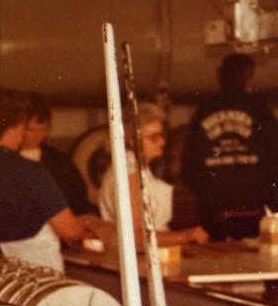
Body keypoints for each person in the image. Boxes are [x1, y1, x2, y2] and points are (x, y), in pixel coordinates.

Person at [0, 89, 98, 272]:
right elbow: (70, 231)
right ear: (14, 128)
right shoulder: (30, 172)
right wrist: (90, 233)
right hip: (35, 281)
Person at [181, 53, 278, 239]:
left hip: (213, 213)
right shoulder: (259, 108)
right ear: (249, 78)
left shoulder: (205, 108)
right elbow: (275, 158)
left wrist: (207, 196)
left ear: (220, 76)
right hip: (252, 211)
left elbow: (189, 165)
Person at [100, 102, 209, 247]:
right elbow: (135, 237)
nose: (162, 142)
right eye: (154, 137)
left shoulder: (137, 168)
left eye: (162, 135)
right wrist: (187, 236)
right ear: (132, 140)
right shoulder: (128, 173)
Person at [20, 93, 95, 215]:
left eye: (43, 129)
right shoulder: (5, 158)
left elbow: (78, 201)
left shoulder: (60, 162)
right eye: (31, 130)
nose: (37, 135)